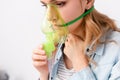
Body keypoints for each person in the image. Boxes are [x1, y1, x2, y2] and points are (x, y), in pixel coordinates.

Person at [32, 0, 120, 80]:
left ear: (88, 1)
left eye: (59, 4)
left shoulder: (116, 52)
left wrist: (80, 63)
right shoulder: (56, 46)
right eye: (46, 6)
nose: (50, 17)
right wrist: (44, 74)